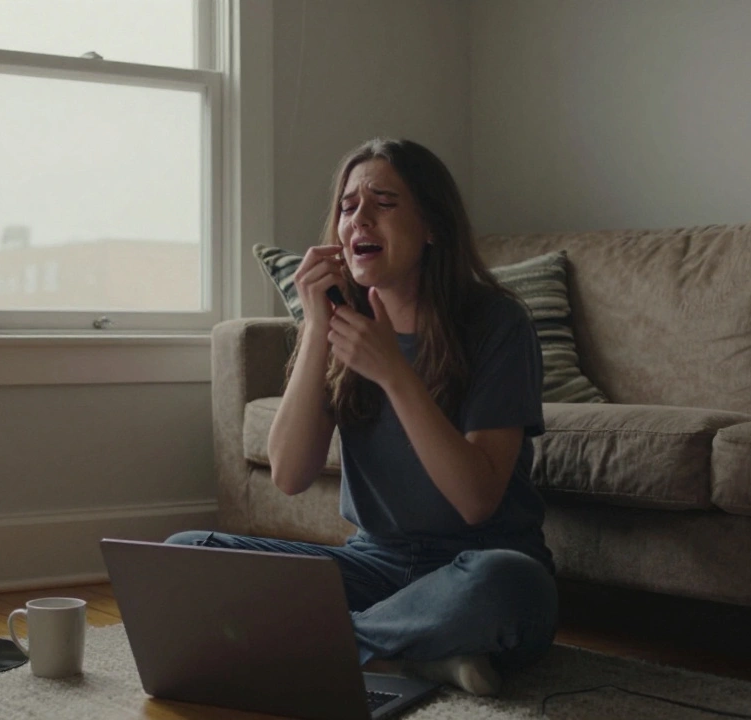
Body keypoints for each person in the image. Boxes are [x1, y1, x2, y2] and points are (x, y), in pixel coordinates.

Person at [167, 137, 558, 696]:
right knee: (186, 553)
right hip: (374, 568)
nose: (358, 220)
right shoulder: (339, 323)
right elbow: (290, 474)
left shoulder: (498, 324)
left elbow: (476, 501)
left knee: (509, 584)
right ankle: (412, 651)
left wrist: (395, 374)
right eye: (348, 207)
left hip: (477, 566)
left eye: (383, 202)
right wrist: (315, 328)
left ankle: (319, 648)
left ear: (432, 225)